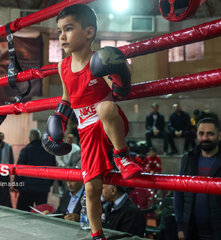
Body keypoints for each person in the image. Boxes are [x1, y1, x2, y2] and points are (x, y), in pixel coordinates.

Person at [42, 5, 142, 239]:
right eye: (59, 31)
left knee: (106, 107)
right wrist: (59, 118)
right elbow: (66, 99)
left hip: (109, 124)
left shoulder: (100, 60)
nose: (62, 36)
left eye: (68, 28)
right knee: (91, 188)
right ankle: (97, 234)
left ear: (88, 32)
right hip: (86, 130)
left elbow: (119, 91)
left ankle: (122, 156)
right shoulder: (62, 66)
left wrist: (121, 73)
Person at [173, 117, 221, 240]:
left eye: (210, 134)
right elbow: (178, 194)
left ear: (219, 135)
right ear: (197, 135)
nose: (205, 138)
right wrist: (180, 226)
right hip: (191, 232)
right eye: (201, 134)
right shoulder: (187, 160)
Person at [16, 129, 56, 211]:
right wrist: (48, 184)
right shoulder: (48, 151)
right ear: (40, 137)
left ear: (30, 138)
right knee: (41, 213)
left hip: (27, 188)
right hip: (43, 188)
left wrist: (17, 185)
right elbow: (53, 169)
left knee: (23, 212)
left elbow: (19, 169)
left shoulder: (26, 150)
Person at [0, 131, 14, 208]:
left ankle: (7, 207)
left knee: (5, 191)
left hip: (5, 173)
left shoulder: (8, 147)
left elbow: (11, 161)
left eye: (1, 136)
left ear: (3, 138)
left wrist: (11, 173)